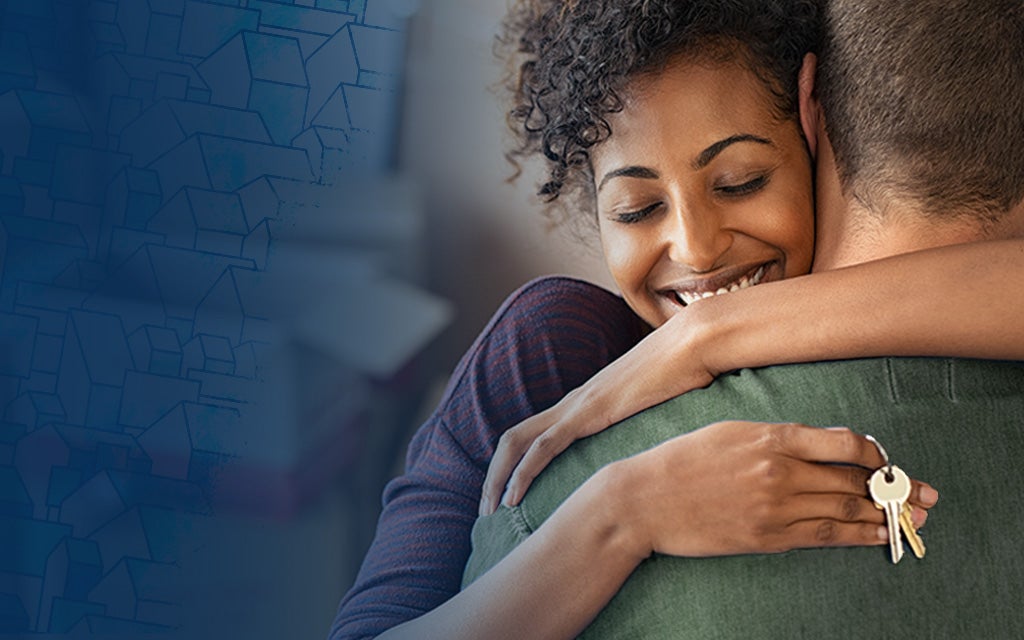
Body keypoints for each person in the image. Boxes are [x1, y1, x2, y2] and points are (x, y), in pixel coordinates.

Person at [329, 0, 1024, 638]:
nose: (696, 248)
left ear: (817, 133)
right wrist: (622, 514)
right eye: (636, 210)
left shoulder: (938, 310)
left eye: (741, 183)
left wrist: (706, 336)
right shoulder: (552, 345)